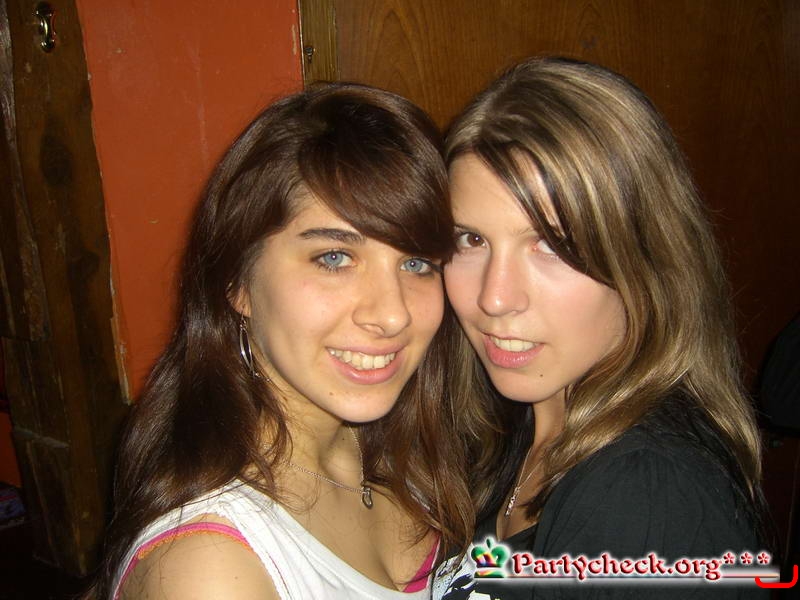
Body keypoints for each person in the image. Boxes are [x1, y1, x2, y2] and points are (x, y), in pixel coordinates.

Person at [91, 82, 473, 599]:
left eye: (417, 263)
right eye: (334, 257)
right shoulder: (209, 571)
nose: (392, 314)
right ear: (238, 281)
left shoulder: (396, 449)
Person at [434, 57, 770, 598]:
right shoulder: (514, 426)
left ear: (643, 258)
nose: (494, 298)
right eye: (471, 240)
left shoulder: (644, 495)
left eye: (551, 244)